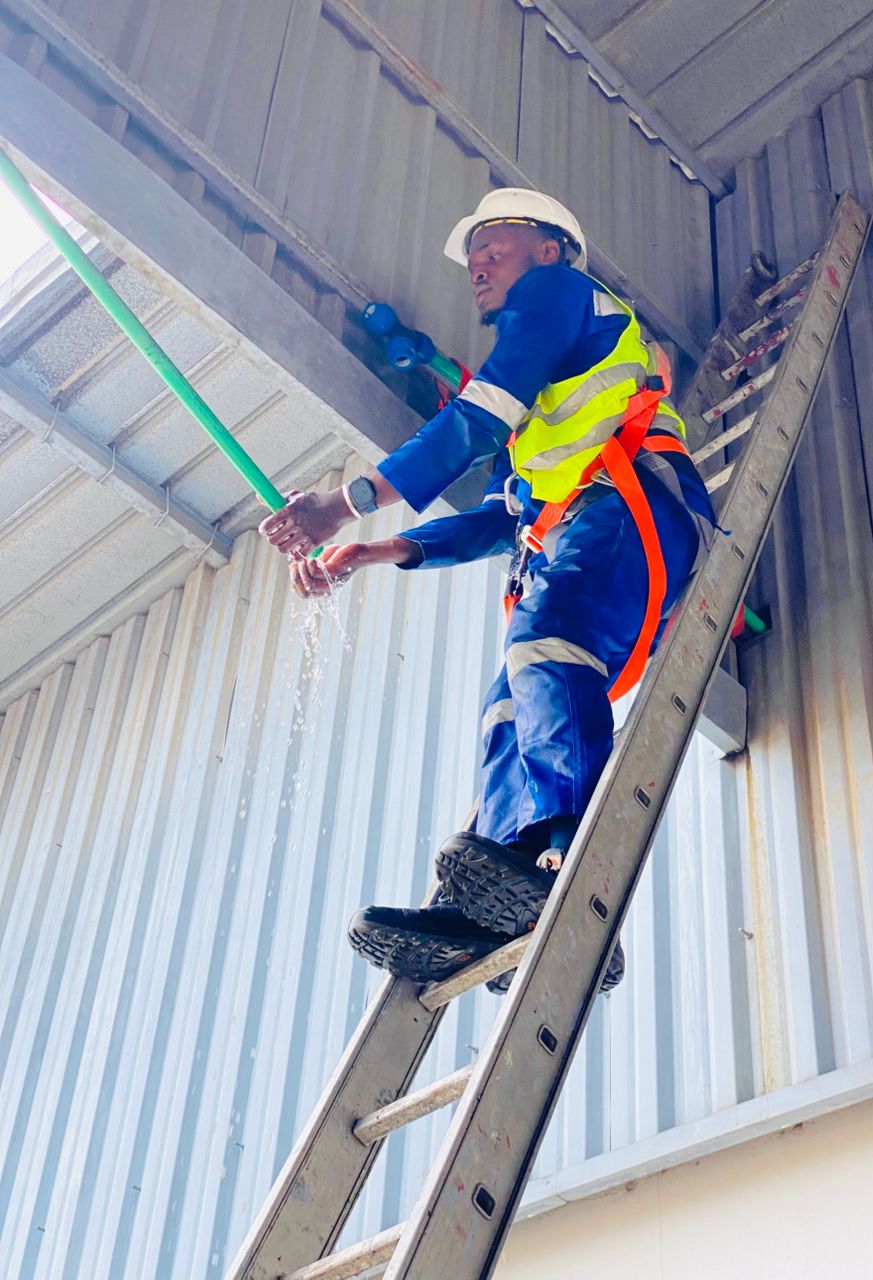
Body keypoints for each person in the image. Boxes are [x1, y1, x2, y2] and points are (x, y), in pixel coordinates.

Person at [259, 188, 714, 991]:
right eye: (472, 256)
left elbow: (475, 417)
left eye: (492, 246)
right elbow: (502, 518)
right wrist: (375, 552)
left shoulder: (561, 294)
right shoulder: (542, 414)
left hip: (637, 503)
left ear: (549, 248)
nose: (476, 264)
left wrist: (345, 503)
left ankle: (562, 851)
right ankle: (493, 901)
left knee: (544, 642)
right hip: (584, 524)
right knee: (506, 703)